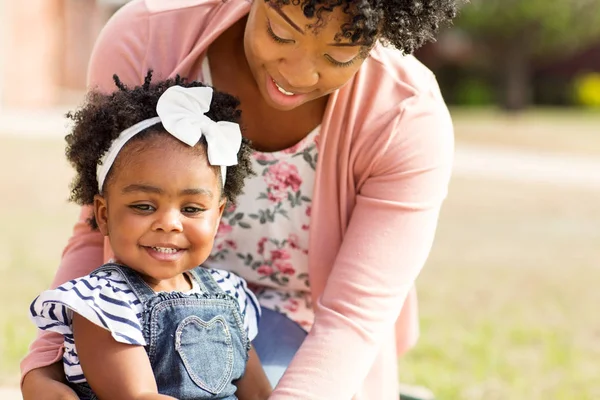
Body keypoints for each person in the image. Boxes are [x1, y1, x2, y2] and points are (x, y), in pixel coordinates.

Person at [21, 0, 458, 399]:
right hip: (143, 306)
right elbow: (97, 226)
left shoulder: (407, 115)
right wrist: (44, 367)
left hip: (311, 332)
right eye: (282, 33)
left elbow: (353, 317)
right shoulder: (147, 38)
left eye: (338, 55)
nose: (299, 73)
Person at [27, 74, 271, 400]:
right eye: (143, 206)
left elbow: (259, 395)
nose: (169, 223)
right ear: (103, 215)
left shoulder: (230, 293)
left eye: (193, 208)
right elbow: (138, 396)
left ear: (218, 216)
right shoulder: (104, 303)